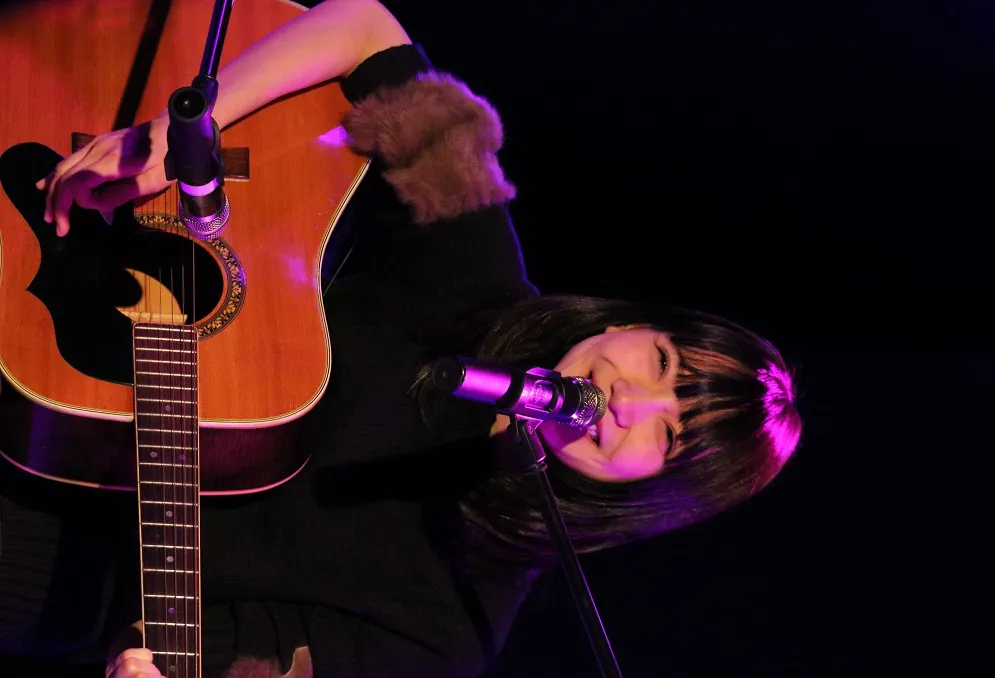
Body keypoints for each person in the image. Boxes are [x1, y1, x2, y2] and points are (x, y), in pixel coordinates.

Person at [4, 0, 802, 676]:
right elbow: (366, 29)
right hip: (45, 335)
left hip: (63, 560)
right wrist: (172, 138)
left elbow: (239, 657)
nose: (626, 402)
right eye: (657, 362)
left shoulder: (451, 623)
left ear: (652, 493)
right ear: (628, 325)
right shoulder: (473, 279)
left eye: (666, 433)